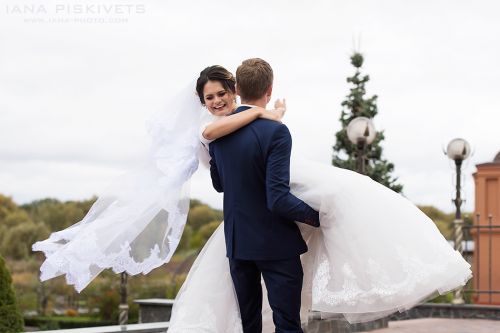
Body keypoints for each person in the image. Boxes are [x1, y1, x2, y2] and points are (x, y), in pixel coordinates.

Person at [167, 61, 472, 332]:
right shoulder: (276, 132)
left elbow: (220, 185)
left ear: (237, 90)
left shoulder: (216, 137)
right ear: (270, 90)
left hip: (236, 244)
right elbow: (277, 198)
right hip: (276, 244)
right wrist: (319, 218)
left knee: (250, 325)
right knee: (287, 324)